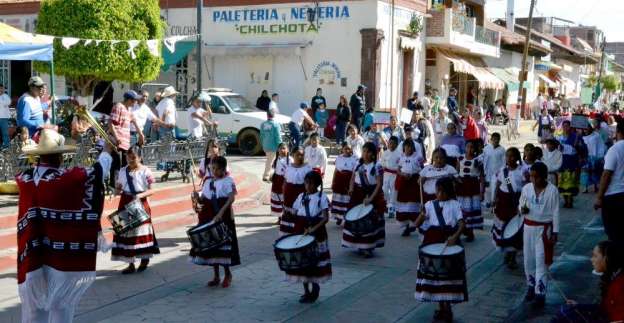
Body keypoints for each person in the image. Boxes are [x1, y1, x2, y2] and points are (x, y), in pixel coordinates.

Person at [17, 129, 110, 323]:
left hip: (31, 256)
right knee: (61, 305)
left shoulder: (24, 180)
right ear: (59, 156)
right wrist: (106, 153)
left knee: (33, 310)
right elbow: (94, 174)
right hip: (59, 258)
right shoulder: (63, 179)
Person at [414, 177, 467, 322]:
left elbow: (462, 224)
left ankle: (447, 307)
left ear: (449, 192)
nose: (440, 194)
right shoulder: (429, 205)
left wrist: (455, 237)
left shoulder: (455, 205)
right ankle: (440, 307)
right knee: (435, 276)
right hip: (432, 241)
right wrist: (422, 214)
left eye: (443, 191)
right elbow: (416, 224)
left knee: (448, 276)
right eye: (438, 191)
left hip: (450, 240)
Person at [190, 156, 240, 288]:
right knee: (212, 247)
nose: (214, 171)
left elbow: (231, 198)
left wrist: (221, 213)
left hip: (223, 217)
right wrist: (197, 199)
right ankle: (216, 276)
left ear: (224, 169)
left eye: (217, 169)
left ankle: (228, 274)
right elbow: (204, 199)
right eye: (212, 168)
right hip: (209, 216)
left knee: (224, 247)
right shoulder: (208, 182)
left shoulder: (228, 181)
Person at [111, 145, 160, 273]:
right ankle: (130, 263)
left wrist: (140, 195)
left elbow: (152, 190)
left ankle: (144, 259)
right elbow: (119, 189)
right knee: (126, 233)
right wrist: (115, 190)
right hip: (125, 202)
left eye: (133, 158)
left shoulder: (146, 171)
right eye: (128, 158)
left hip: (140, 203)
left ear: (140, 157)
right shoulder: (122, 171)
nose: (130, 160)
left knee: (140, 232)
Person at [552, 240, 624, 323]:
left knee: (564, 315)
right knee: (568, 310)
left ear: (606, 258)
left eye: (595, 256)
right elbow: (604, 308)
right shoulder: (613, 278)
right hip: (605, 317)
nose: (591, 259)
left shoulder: (620, 284)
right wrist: (579, 306)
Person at [519, 162, 560, 307]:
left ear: (544, 177)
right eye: (531, 176)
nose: (533, 180)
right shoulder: (526, 188)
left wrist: (555, 231)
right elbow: (521, 205)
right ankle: (531, 286)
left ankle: (540, 293)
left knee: (541, 260)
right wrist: (521, 209)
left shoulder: (552, 190)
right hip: (528, 228)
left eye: (536, 177)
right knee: (528, 259)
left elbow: (555, 212)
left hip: (544, 230)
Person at [287, 171, 331, 303]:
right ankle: (305, 291)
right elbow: (294, 212)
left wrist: (313, 229)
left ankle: (315, 287)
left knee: (314, 262)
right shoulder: (301, 196)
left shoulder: (322, 198)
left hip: (316, 234)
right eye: (306, 183)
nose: (308, 186)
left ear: (317, 184)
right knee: (302, 262)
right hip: (300, 231)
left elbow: (325, 218)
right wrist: (288, 214)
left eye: (311, 183)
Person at [343, 142, 386, 258]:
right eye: (364, 151)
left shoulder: (377, 166)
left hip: (372, 194)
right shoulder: (358, 164)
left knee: (369, 221)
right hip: (357, 194)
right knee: (356, 218)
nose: (365, 154)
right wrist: (351, 189)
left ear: (373, 154)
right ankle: (357, 244)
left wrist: (371, 198)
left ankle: (367, 247)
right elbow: (352, 178)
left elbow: (379, 184)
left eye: (368, 152)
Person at [491, 147, 523, 269]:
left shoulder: (521, 171)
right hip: (503, 202)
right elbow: (499, 184)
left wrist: (522, 205)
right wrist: (494, 198)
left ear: (517, 158)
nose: (509, 159)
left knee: (514, 228)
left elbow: (525, 189)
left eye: (512, 156)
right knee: (504, 228)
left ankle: (513, 255)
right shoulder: (503, 171)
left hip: (515, 202)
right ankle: (506, 252)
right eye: (507, 156)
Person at [594, 121, 624, 243]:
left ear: (618, 132)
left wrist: (599, 197)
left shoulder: (615, 149)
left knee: (614, 233)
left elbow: (606, 174)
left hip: (614, 196)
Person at [109, 91, 145, 187]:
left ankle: (123, 184)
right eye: (134, 101)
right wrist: (116, 138)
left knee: (125, 165)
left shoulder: (128, 109)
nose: (136, 103)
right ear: (129, 100)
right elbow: (111, 124)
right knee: (117, 164)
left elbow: (134, 121)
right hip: (117, 142)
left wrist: (141, 134)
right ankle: (114, 185)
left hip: (125, 142)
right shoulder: (118, 106)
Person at [279, 147, 312, 236]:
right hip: (289, 195)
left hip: (301, 195)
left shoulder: (307, 168)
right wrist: (283, 195)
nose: (300, 157)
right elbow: (285, 182)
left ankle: (299, 234)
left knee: (300, 214)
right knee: (288, 215)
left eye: (302, 155)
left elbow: (311, 184)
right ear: (293, 155)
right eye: (298, 154)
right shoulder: (289, 167)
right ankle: (287, 236)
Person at [456, 141, 484, 241]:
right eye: (468, 147)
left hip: (473, 187)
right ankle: (461, 231)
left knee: (471, 211)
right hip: (462, 187)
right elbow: (457, 172)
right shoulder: (460, 158)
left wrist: (482, 191)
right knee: (461, 210)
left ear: (475, 149)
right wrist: (457, 180)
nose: (469, 149)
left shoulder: (478, 160)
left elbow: (481, 176)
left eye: (472, 147)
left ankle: (470, 232)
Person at [395, 139, 424, 236]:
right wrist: (403, 174)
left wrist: (418, 177)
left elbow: (423, 170)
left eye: (410, 146)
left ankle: (417, 225)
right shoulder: (401, 157)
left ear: (413, 147)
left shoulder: (418, 157)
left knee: (413, 205)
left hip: (414, 182)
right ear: (404, 147)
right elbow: (398, 170)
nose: (408, 149)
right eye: (406, 147)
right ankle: (407, 227)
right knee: (405, 206)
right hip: (404, 182)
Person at [557, 120, 586, 208]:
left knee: (571, 184)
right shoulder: (559, 137)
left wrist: (577, 145)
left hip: (572, 163)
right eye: (564, 126)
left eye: (567, 126)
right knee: (562, 184)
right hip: (562, 163)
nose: (565, 128)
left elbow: (583, 149)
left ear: (571, 127)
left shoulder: (576, 136)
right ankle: (565, 200)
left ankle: (570, 201)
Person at [331, 142, 358, 225]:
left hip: (349, 181)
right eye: (345, 148)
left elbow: (355, 173)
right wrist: (333, 182)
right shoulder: (339, 158)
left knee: (347, 200)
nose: (347, 150)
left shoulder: (355, 159)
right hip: (339, 181)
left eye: (349, 148)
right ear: (342, 149)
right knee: (338, 199)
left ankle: (347, 218)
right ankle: (339, 217)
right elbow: (336, 171)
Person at [482, 133, 505, 208]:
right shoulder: (486, 148)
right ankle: (487, 202)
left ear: (499, 140)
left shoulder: (502, 150)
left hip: (497, 173)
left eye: (497, 139)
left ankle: (493, 202)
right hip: (487, 171)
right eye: (494, 139)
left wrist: (501, 172)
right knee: (487, 188)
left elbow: (504, 162)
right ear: (491, 139)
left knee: (494, 187)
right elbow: (483, 159)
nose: (495, 141)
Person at [581, 126, 607, 193]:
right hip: (586, 157)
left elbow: (601, 145)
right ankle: (586, 188)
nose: (585, 130)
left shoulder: (596, 136)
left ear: (590, 128)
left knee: (595, 172)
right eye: (584, 129)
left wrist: (601, 156)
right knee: (585, 173)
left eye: (587, 128)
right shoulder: (582, 137)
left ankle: (596, 186)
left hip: (595, 157)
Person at [381, 136, 401, 218]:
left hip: (395, 175)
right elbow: (382, 163)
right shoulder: (385, 153)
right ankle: (387, 205)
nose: (391, 145)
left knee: (393, 192)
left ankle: (391, 209)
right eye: (390, 143)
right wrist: (384, 166)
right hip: (386, 174)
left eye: (393, 143)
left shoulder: (399, 154)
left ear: (397, 144)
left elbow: (400, 165)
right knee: (384, 190)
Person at [269, 143, 291, 220]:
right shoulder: (277, 159)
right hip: (276, 181)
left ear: (288, 150)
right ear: (278, 150)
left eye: (284, 148)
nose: (282, 150)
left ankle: (285, 216)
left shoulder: (290, 160)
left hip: (285, 181)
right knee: (277, 199)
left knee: (284, 199)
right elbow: (275, 169)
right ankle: (279, 217)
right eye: (280, 148)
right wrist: (272, 176)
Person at [260, 107, 283, 181]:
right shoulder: (276, 125)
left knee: (269, 160)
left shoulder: (263, 124)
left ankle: (269, 175)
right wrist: (280, 145)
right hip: (273, 146)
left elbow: (261, 135)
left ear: (267, 115)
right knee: (270, 161)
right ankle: (266, 176)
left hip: (265, 145)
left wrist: (262, 144)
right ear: (274, 115)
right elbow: (278, 136)